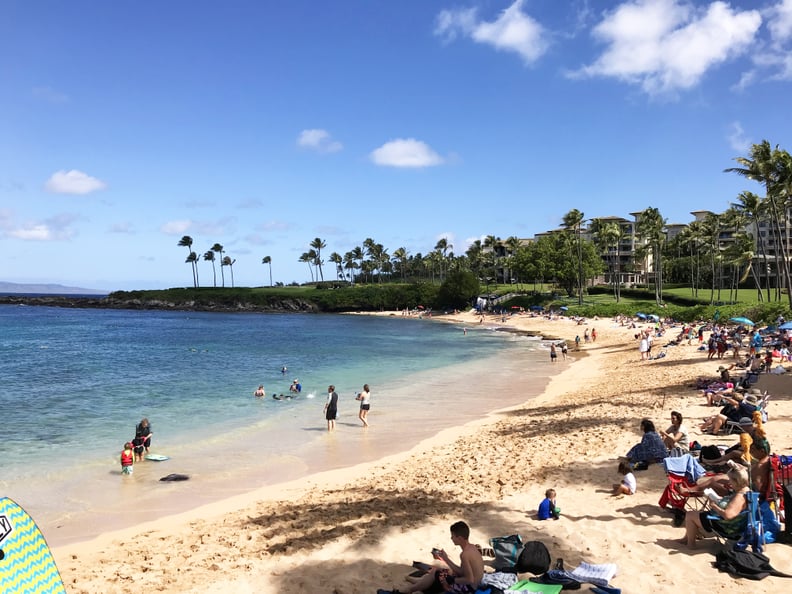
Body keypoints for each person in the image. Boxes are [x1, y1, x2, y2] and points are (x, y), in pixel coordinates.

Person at [378, 520, 484, 594]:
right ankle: (417, 583)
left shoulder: (464, 554)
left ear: (460, 538)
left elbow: (469, 579)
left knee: (439, 575)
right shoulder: (472, 548)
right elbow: (463, 572)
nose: (451, 538)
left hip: (469, 589)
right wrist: (446, 559)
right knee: (438, 572)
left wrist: (451, 580)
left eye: (453, 536)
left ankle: (409, 590)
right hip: (474, 584)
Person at [679, 465, 750, 549]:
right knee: (696, 514)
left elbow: (728, 515)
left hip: (726, 527)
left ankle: (691, 544)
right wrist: (719, 499)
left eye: (730, 480)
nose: (729, 483)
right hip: (736, 524)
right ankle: (685, 539)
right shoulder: (746, 490)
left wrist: (714, 506)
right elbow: (733, 505)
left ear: (736, 481)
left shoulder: (739, 497)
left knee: (690, 515)